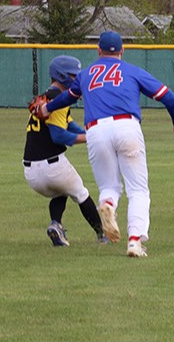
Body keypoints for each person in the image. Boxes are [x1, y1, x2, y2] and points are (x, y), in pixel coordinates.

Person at [38, 31, 174, 258]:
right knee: (138, 189)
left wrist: (46, 109)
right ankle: (135, 241)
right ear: (122, 51)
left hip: (96, 130)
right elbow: (170, 98)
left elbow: (67, 97)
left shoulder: (86, 74)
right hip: (127, 126)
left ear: (98, 51)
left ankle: (108, 203)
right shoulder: (132, 71)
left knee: (109, 187)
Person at [23, 55, 106, 247]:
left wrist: (91, 132)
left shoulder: (46, 97)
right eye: (73, 76)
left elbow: (68, 124)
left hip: (30, 172)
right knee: (81, 193)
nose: (77, 80)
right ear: (61, 76)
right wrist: (91, 138)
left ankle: (56, 225)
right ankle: (103, 234)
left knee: (60, 192)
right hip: (52, 165)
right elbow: (59, 136)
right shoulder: (60, 98)